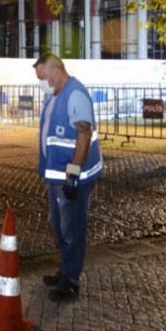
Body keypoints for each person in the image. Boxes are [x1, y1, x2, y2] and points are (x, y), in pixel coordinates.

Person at [34, 53, 102, 302]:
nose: (41, 82)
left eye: (42, 77)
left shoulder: (75, 94)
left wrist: (73, 174)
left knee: (72, 227)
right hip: (57, 176)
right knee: (59, 226)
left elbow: (84, 134)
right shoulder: (54, 96)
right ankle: (64, 271)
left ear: (55, 72)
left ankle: (71, 280)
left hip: (74, 177)